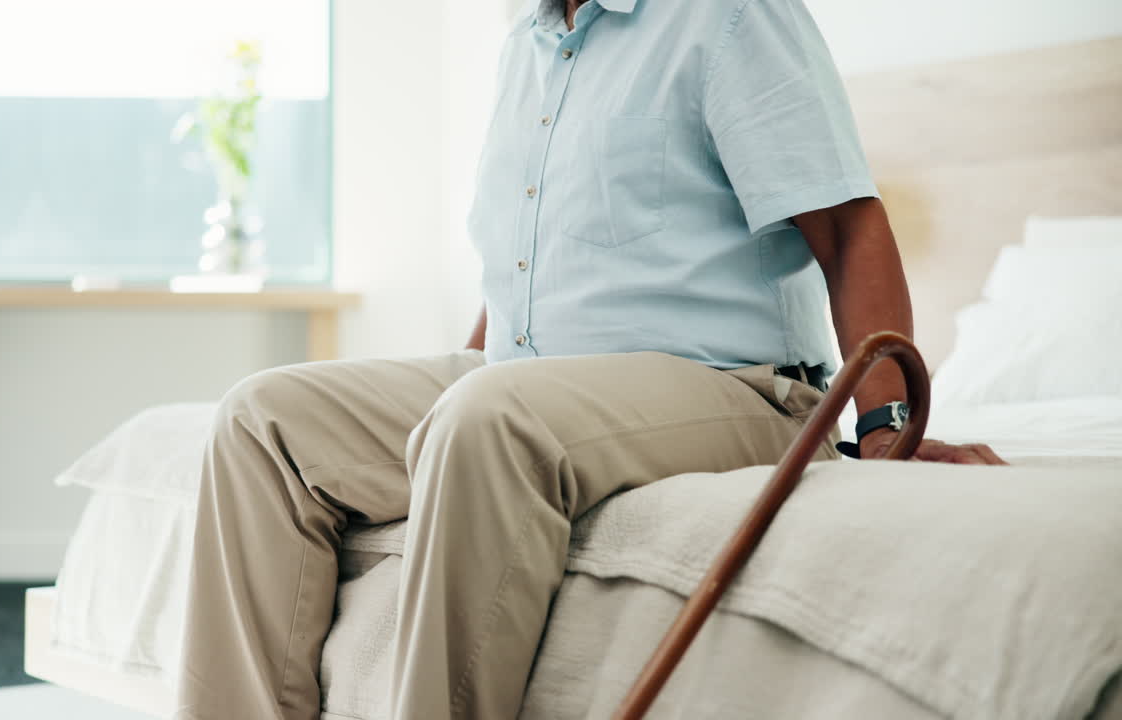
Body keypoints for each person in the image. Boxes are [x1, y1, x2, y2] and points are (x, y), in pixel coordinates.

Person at [173, 0, 1004, 718]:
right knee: (262, 420)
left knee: (485, 419)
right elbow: (530, 262)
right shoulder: (525, 45)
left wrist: (888, 428)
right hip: (526, 380)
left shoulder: (727, 16)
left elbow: (850, 228)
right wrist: (444, 381)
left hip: (733, 386)